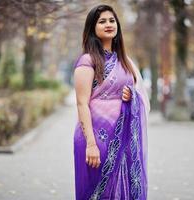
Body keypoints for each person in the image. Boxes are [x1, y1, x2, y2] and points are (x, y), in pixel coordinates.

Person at [73, 4, 150, 200]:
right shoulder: (87, 61)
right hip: (95, 138)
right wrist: (91, 144)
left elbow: (137, 93)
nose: (108, 24)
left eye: (111, 20)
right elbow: (82, 103)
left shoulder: (125, 62)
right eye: (102, 21)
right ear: (93, 28)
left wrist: (131, 97)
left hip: (123, 136)